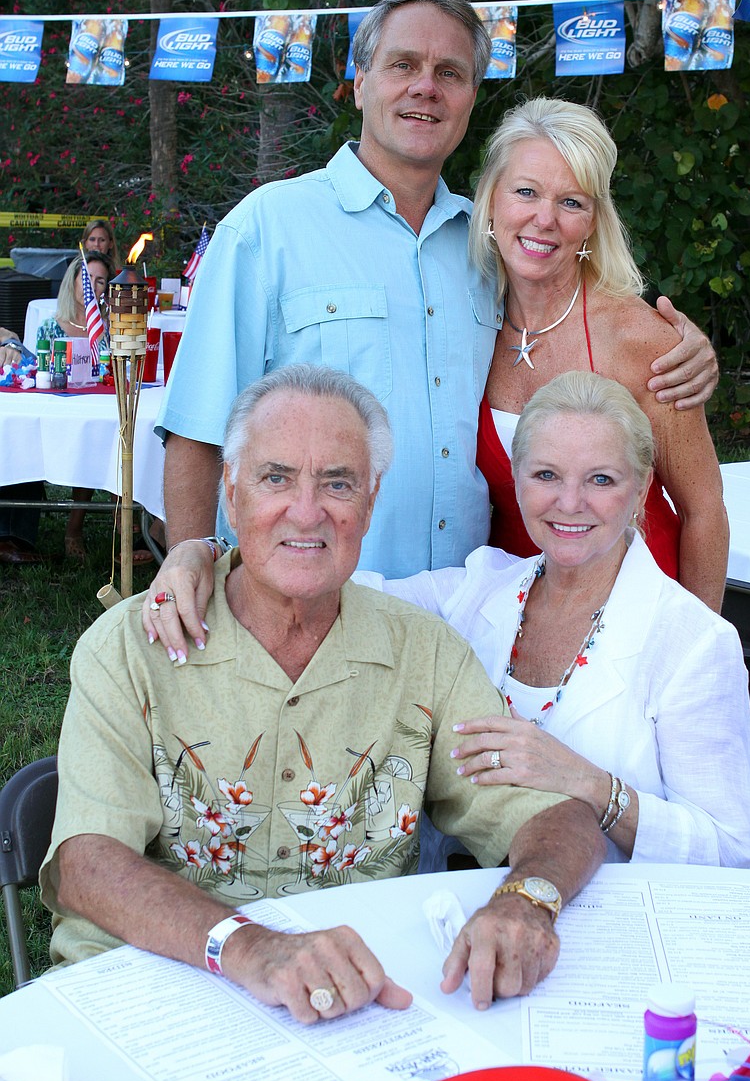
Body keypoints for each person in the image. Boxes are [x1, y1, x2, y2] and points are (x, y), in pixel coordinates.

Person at [41, 365, 605, 1021]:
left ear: (369, 500)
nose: (306, 512)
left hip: (346, 1009)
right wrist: (249, 947)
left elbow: (555, 817)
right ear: (231, 493)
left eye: (337, 483)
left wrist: (526, 898)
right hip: (147, 994)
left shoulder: (422, 653)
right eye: (275, 477)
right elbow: (87, 861)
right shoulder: (129, 647)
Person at [151, 0, 717, 599]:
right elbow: (197, 427)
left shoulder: (486, 247)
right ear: (361, 78)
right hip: (310, 598)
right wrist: (187, 559)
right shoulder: (268, 228)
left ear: (472, 96)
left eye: (450, 73)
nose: (426, 87)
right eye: (403, 65)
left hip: (468, 610)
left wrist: (689, 349)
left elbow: (575, 306)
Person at [359, 372, 750, 869]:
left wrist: (585, 782)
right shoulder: (481, 588)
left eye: (601, 479)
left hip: (619, 920)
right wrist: (238, 563)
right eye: (546, 475)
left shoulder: (694, 643)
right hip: (473, 904)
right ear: (517, 480)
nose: (570, 502)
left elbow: (728, 849)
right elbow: (354, 594)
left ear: (641, 490)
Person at [471, 98, 728, 610]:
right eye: (526, 192)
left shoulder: (641, 341)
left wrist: (698, 648)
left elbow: (704, 510)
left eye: (571, 202)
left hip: (633, 613)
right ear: (491, 201)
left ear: (592, 220)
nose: (544, 219)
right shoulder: (462, 318)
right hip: (510, 617)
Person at [0, 251, 113, 565]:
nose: (94, 286)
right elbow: (37, 371)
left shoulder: (107, 328)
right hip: (55, 407)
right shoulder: (50, 327)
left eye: (101, 281)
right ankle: (14, 535)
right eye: (88, 279)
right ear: (73, 281)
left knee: (98, 437)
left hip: (92, 409)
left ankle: (77, 527)